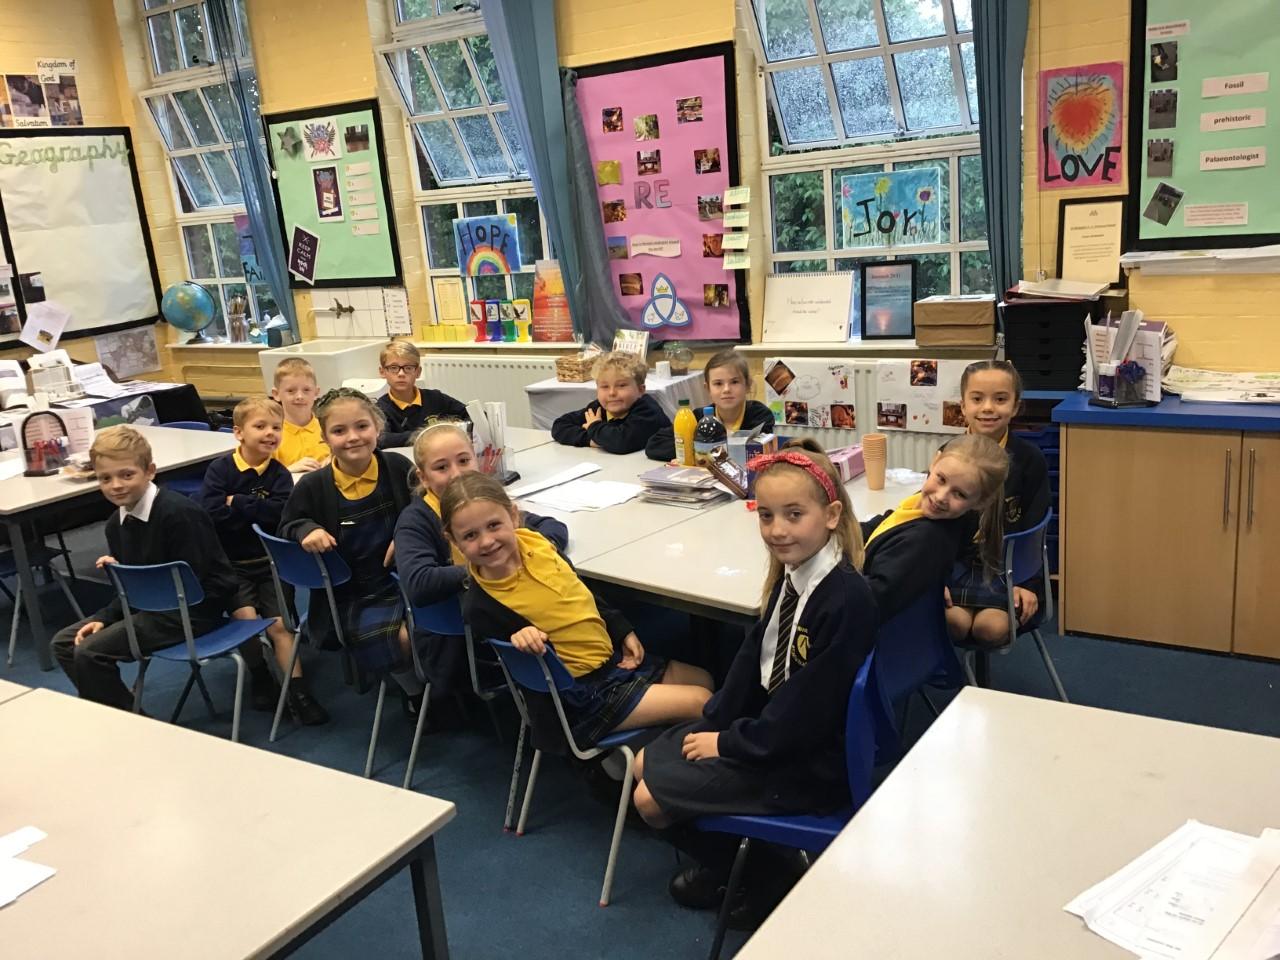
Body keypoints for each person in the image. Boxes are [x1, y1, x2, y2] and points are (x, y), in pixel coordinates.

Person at [631, 438, 876, 927]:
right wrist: (717, 720)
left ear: (830, 515)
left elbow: (807, 714)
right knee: (640, 764)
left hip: (808, 762)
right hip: (770, 734)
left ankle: (768, 879)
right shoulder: (795, 573)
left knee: (649, 803)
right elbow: (753, 660)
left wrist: (727, 742)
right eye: (766, 516)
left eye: (793, 515)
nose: (777, 530)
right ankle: (733, 862)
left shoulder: (845, 599)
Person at [440, 471, 713, 749]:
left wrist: (621, 631)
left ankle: (650, 749)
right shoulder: (482, 604)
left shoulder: (539, 544)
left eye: (493, 525)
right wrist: (518, 638)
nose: (487, 541)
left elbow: (579, 592)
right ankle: (645, 762)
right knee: (700, 702)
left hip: (611, 664)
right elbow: (509, 662)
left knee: (704, 679)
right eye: (471, 535)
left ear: (513, 515)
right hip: (580, 697)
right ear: (453, 540)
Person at [52, 426, 237, 709]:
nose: (116, 485)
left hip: (193, 611)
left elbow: (209, 584)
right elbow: (132, 590)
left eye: (127, 475)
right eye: (105, 478)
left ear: (150, 471)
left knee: (90, 652)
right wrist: (106, 617)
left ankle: (128, 722)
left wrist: (137, 585)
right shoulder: (117, 524)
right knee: (65, 643)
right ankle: (121, 710)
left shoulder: (179, 514)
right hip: (150, 608)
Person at [394, 421, 567, 696]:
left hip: (514, 622)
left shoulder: (482, 501)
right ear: (423, 478)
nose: (456, 474)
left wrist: (530, 552)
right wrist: (487, 566)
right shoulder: (416, 519)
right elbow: (418, 582)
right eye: (441, 467)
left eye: (464, 461)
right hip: (463, 647)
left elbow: (553, 527)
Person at [279, 388, 423, 712]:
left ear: (377, 427)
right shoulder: (314, 485)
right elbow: (287, 525)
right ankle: (415, 694)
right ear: (324, 438)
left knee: (445, 622)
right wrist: (307, 529)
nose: (353, 437)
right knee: (400, 639)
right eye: (339, 430)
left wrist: (408, 534)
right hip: (353, 593)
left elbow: (425, 506)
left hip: (406, 578)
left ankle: (445, 687)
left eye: (362, 426)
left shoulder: (397, 467)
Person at [196, 396, 328, 725]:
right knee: (246, 623)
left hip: (271, 564)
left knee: (280, 626)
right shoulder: (220, 469)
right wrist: (255, 512)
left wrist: (238, 503)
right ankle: (260, 675)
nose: (270, 433)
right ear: (238, 432)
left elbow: (280, 516)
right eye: (260, 426)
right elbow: (211, 514)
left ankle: (298, 691)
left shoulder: (279, 473)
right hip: (232, 566)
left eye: (276, 427)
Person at [944, 361, 1051, 647]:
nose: (988, 408)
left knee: (989, 629)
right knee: (954, 623)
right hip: (957, 565)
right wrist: (934, 577)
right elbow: (933, 523)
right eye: (977, 399)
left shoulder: (1029, 459)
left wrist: (1027, 583)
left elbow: (1035, 526)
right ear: (962, 405)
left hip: (1011, 567)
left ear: (1015, 407)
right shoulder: (947, 455)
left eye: (1000, 399)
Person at [861, 433, 1010, 623]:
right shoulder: (921, 505)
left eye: (960, 494)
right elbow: (884, 522)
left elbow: (873, 597)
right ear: (935, 461)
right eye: (941, 479)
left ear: (981, 502)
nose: (940, 497)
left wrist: (830, 573)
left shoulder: (925, 540)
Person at [646, 349, 775, 461]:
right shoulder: (698, 417)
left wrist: (704, 450)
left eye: (734, 382)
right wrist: (697, 449)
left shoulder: (760, 415)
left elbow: (755, 452)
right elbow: (655, 444)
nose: (726, 389)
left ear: (747, 385)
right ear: (707, 389)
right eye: (718, 384)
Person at [551, 351, 669, 454]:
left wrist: (594, 427)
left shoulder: (648, 411)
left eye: (621, 385)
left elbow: (621, 442)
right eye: (604, 386)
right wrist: (591, 440)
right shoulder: (598, 409)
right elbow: (559, 425)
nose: (612, 393)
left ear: (640, 390)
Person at [375, 340, 469, 449]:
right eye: (393, 368)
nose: (401, 374)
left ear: (418, 372)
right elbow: (381, 439)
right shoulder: (380, 409)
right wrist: (428, 434)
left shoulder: (435, 398)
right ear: (382, 372)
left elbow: (469, 414)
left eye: (409, 368)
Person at [270, 358, 329, 473]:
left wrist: (336, 461)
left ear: (316, 393)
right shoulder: (270, 435)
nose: (300, 396)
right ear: (276, 394)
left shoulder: (329, 428)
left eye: (306, 390)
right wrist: (287, 471)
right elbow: (259, 479)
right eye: (291, 390)